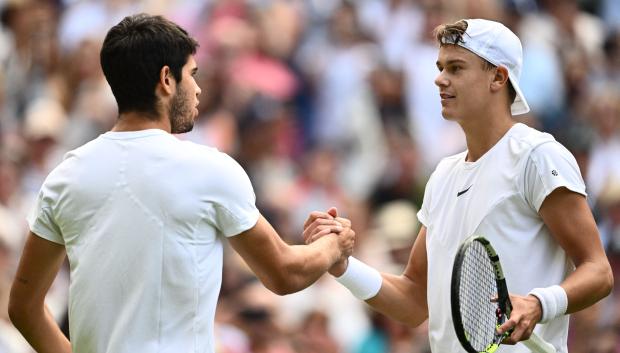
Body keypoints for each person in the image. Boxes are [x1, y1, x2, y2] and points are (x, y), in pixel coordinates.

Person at [8, 14, 354, 353]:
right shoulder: (209, 169)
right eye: (192, 74)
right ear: (166, 79)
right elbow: (285, 274)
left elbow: (23, 308)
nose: (198, 88)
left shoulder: (64, 177)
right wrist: (333, 246)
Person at [304, 19, 614, 352]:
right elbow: (412, 300)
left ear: (497, 77)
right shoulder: (442, 176)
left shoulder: (538, 157)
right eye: (440, 67)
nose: (439, 79)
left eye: (456, 67)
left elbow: (598, 271)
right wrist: (342, 266)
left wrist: (539, 304)